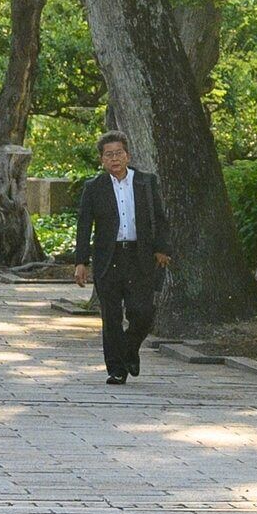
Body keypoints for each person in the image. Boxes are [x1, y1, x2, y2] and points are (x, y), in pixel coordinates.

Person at [86, 132, 168, 384]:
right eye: (108, 155)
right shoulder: (94, 187)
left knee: (142, 312)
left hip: (139, 256)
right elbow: (83, 225)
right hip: (107, 259)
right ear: (102, 160)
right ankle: (117, 369)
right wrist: (80, 262)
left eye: (118, 153)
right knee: (110, 316)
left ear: (128, 155)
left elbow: (160, 218)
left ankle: (130, 348)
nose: (114, 159)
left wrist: (162, 249)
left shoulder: (145, 182)